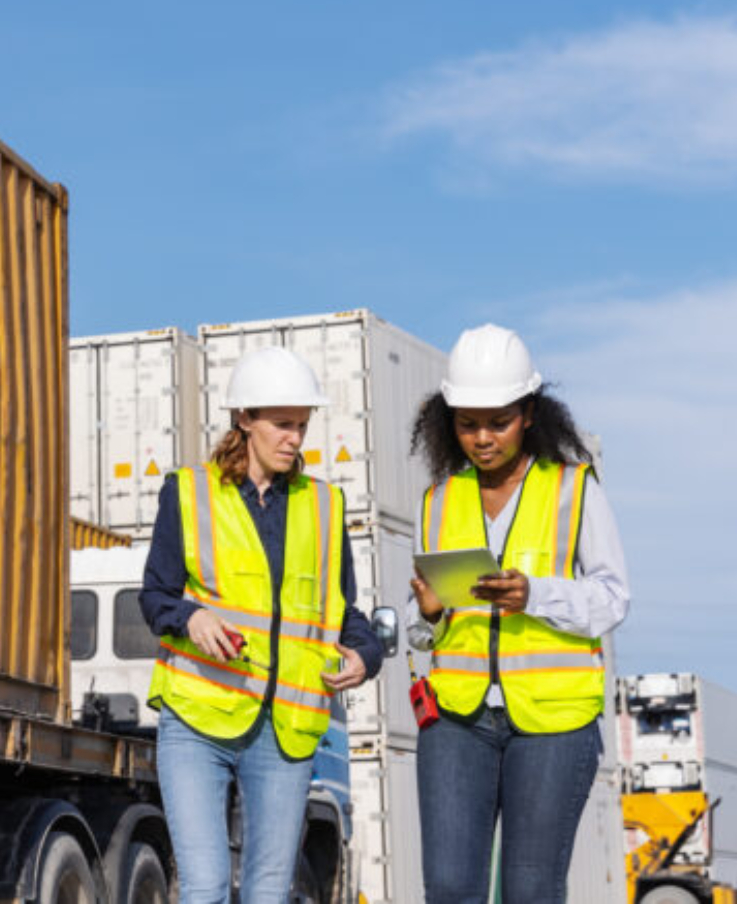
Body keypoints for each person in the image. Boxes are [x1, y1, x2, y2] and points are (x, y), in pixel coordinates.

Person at [141, 345, 386, 904]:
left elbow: (345, 612)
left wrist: (365, 655)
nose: (295, 439)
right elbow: (154, 596)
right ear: (243, 418)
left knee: (269, 892)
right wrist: (191, 616)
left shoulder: (325, 506)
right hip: (198, 719)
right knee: (203, 885)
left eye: (302, 425)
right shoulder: (188, 492)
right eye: (281, 424)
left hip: (286, 730)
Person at [408, 324, 629, 904]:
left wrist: (537, 595)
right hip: (457, 717)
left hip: (554, 719)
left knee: (531, 890)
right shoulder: (437, 501)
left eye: (498, 421)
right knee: (451, 888)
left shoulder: (575, 490)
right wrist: (426, 612)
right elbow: (420, 626)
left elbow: (612, 599)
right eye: (468, 423)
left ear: (529, 413)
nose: (482, 438)